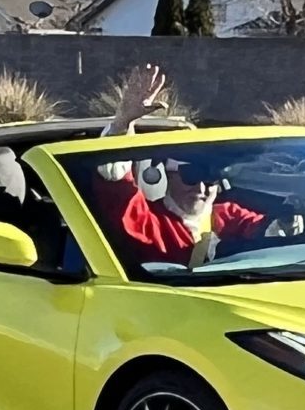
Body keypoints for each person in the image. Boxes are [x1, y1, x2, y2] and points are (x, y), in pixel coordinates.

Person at [89, 64, 283, 268]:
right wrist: (122, 123)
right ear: (168, 175)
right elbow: (115, 179)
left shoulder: (228, 216)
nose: (201, 188)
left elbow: (269, 232)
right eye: (191, 176)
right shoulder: (148, 222)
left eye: (209, 179)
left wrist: (289, 221)